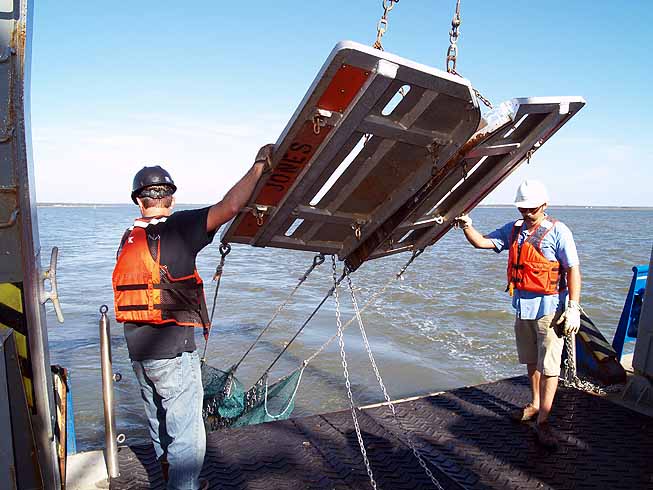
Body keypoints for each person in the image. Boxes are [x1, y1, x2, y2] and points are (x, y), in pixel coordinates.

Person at [112, 144, 274, 490]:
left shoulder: (128, 239)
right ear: (170, 198)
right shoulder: (180, 227)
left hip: (139, 352)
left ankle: (171, 482)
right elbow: (230, 207)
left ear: (138, 201)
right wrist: (259, 165)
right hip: (172, 351)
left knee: (159, 423)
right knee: (187, 433)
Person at [454, 179, 581, 449]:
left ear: (544, 205)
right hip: (523, 307)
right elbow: (482, 243)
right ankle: (534, 405)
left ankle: (544, 422)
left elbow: (573, 270)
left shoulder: (559, 232)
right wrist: (467, 226)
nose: (526, 213)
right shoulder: (514, 230)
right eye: (522, 208)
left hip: (550, 309)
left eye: (531, 209)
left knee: (549, 366)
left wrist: (573, 307)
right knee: (531, 360)